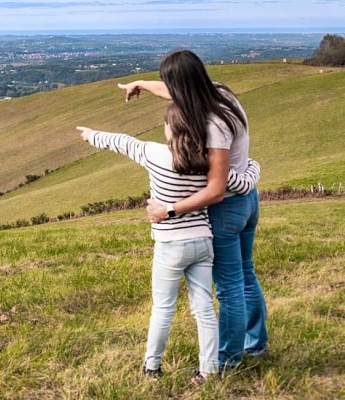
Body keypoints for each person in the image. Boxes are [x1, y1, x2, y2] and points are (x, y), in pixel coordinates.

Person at [76, 102, 260, 384]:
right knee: (204, 308)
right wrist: (254, 168)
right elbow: (235, 183)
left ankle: (152, 366)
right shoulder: (206, 160)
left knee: (163, 306)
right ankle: (209, 369)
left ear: (168, 129)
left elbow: (123, 142)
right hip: (202, 241)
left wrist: (91, 135)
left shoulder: (155, 153)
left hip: (170, 244)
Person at [118, 49, 268, 370]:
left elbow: (215, 190)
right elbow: (175, 90)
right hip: (248, 201)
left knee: (229, 287)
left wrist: (168, 210)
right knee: (245, 274)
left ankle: (227, 360)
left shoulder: (212, 124)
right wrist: (142, 83)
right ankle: (255, 345)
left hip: (227, 208)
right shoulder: (222, 93)